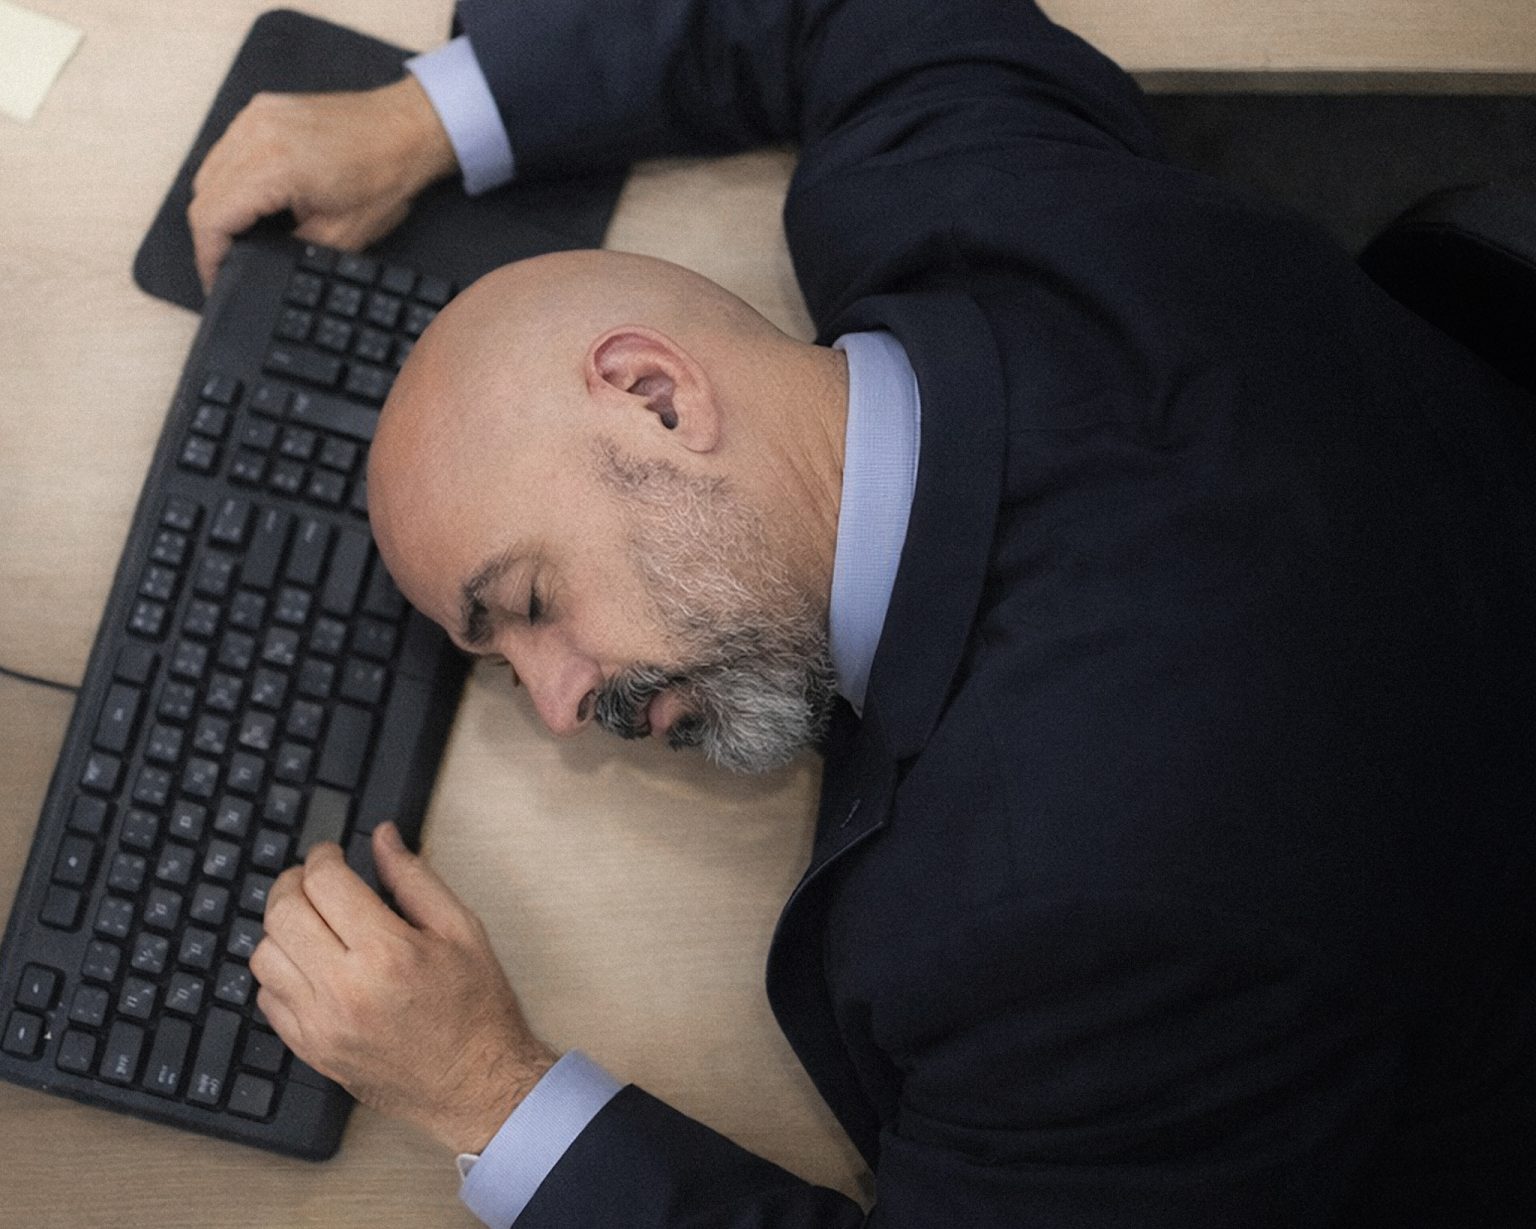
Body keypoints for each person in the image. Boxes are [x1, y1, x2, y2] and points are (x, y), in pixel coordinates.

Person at [190, 1, 1536, 1225]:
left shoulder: (1064, 915)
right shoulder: (974, 190)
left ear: (659, 399)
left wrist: (489, 1089)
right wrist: (432, 113)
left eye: (532, 604)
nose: (560, 708)